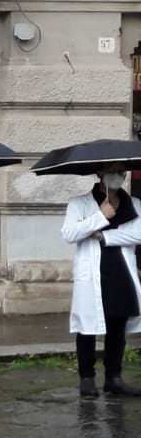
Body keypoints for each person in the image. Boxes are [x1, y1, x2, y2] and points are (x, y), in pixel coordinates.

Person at [62, 170, 141, 397]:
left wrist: (104, 236)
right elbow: (69, 233)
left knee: (117, 325)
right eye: (112, 170)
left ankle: (113, 378)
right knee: (86, 326)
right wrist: (100, 216)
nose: (117, 174)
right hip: (92, 272)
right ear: (100, 173)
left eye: (121, 170)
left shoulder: (133, 203)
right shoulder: (79, 204)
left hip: (121, 271)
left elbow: (138, 234)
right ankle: (87, 378)